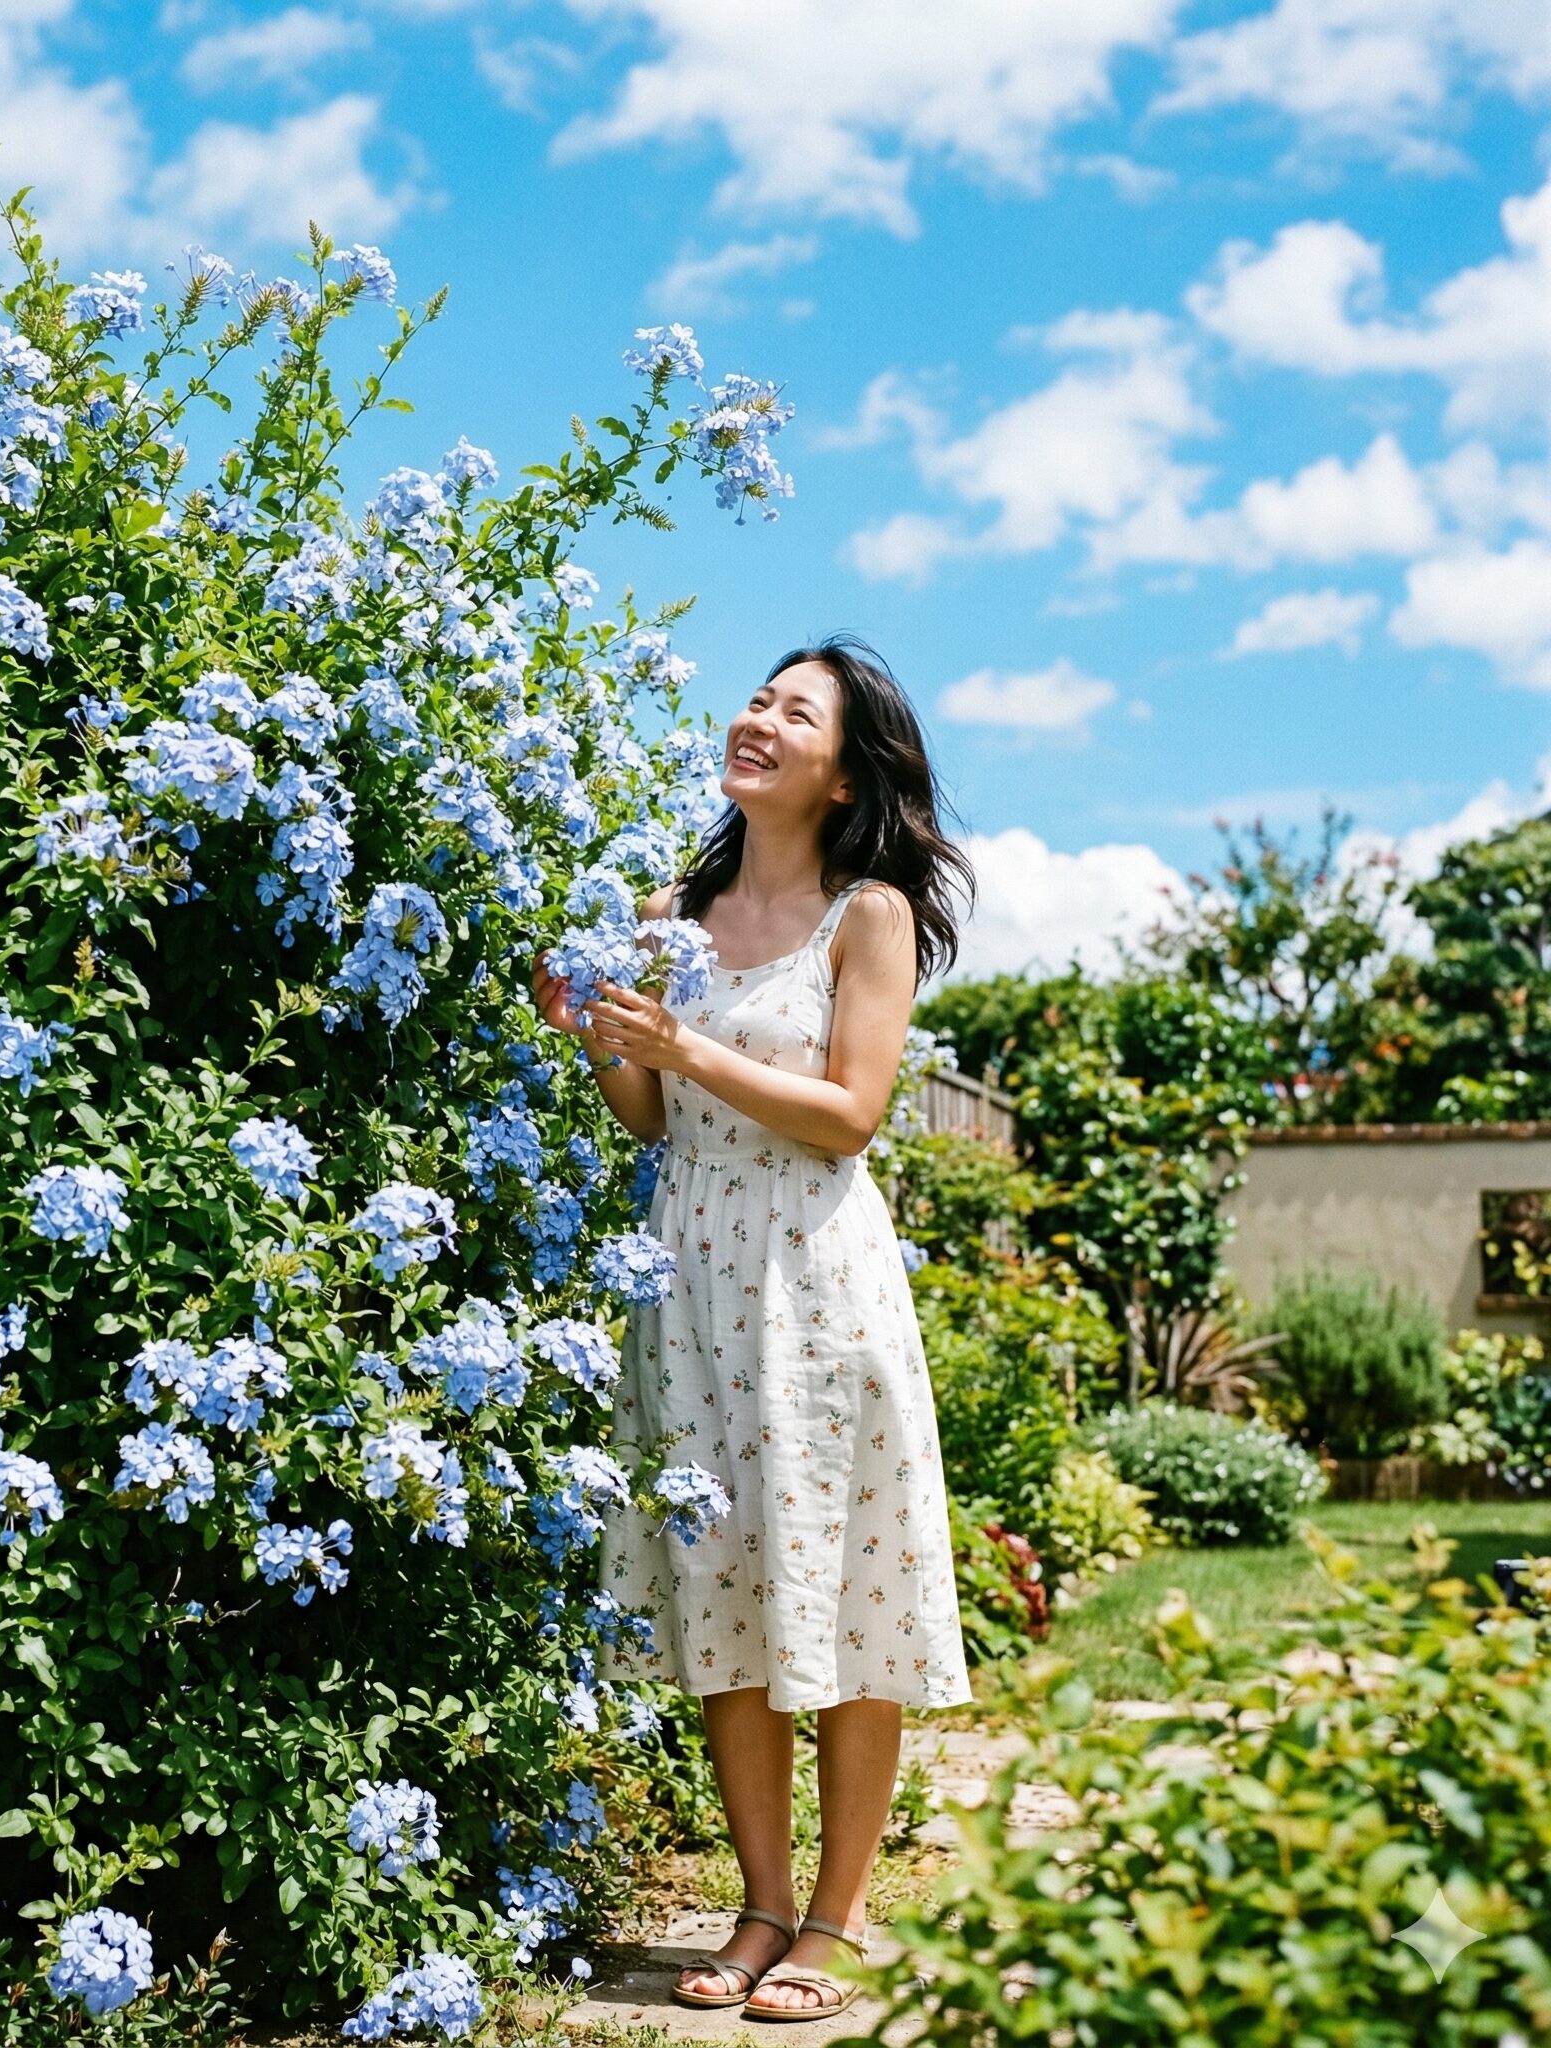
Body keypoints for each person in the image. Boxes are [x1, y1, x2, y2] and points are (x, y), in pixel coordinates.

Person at [529, 634, 975, 2022]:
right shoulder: (671, 908)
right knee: (724, 1587)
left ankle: (835, 1920)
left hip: (817, 1277)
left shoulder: (869, 915)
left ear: (846, 773)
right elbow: (652, 1118)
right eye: (758, 699)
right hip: (692, 1272)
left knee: (842, 1592)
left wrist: (688, 1047)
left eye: (799, 712)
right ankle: (761, 1906)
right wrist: (593, 1034)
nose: (761, 720)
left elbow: (850, 1114)